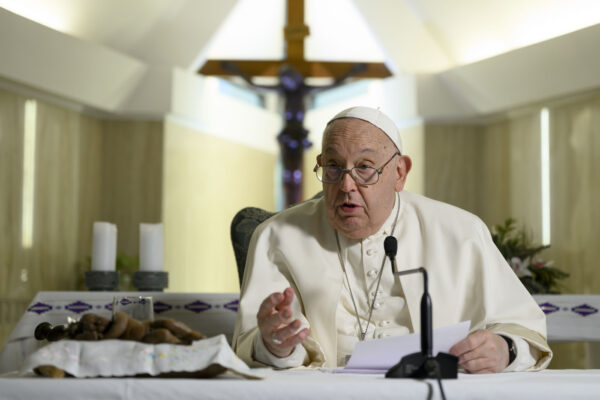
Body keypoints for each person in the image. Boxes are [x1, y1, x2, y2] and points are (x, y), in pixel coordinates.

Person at [233, 106, 552, 373]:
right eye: (333, 167)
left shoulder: (462, 232)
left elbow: (523, 331)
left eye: (365, 168)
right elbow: (256, 348)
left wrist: (504, 350)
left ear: (399, 172)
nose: (346, 186)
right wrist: (276, 345)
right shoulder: (276, 237)